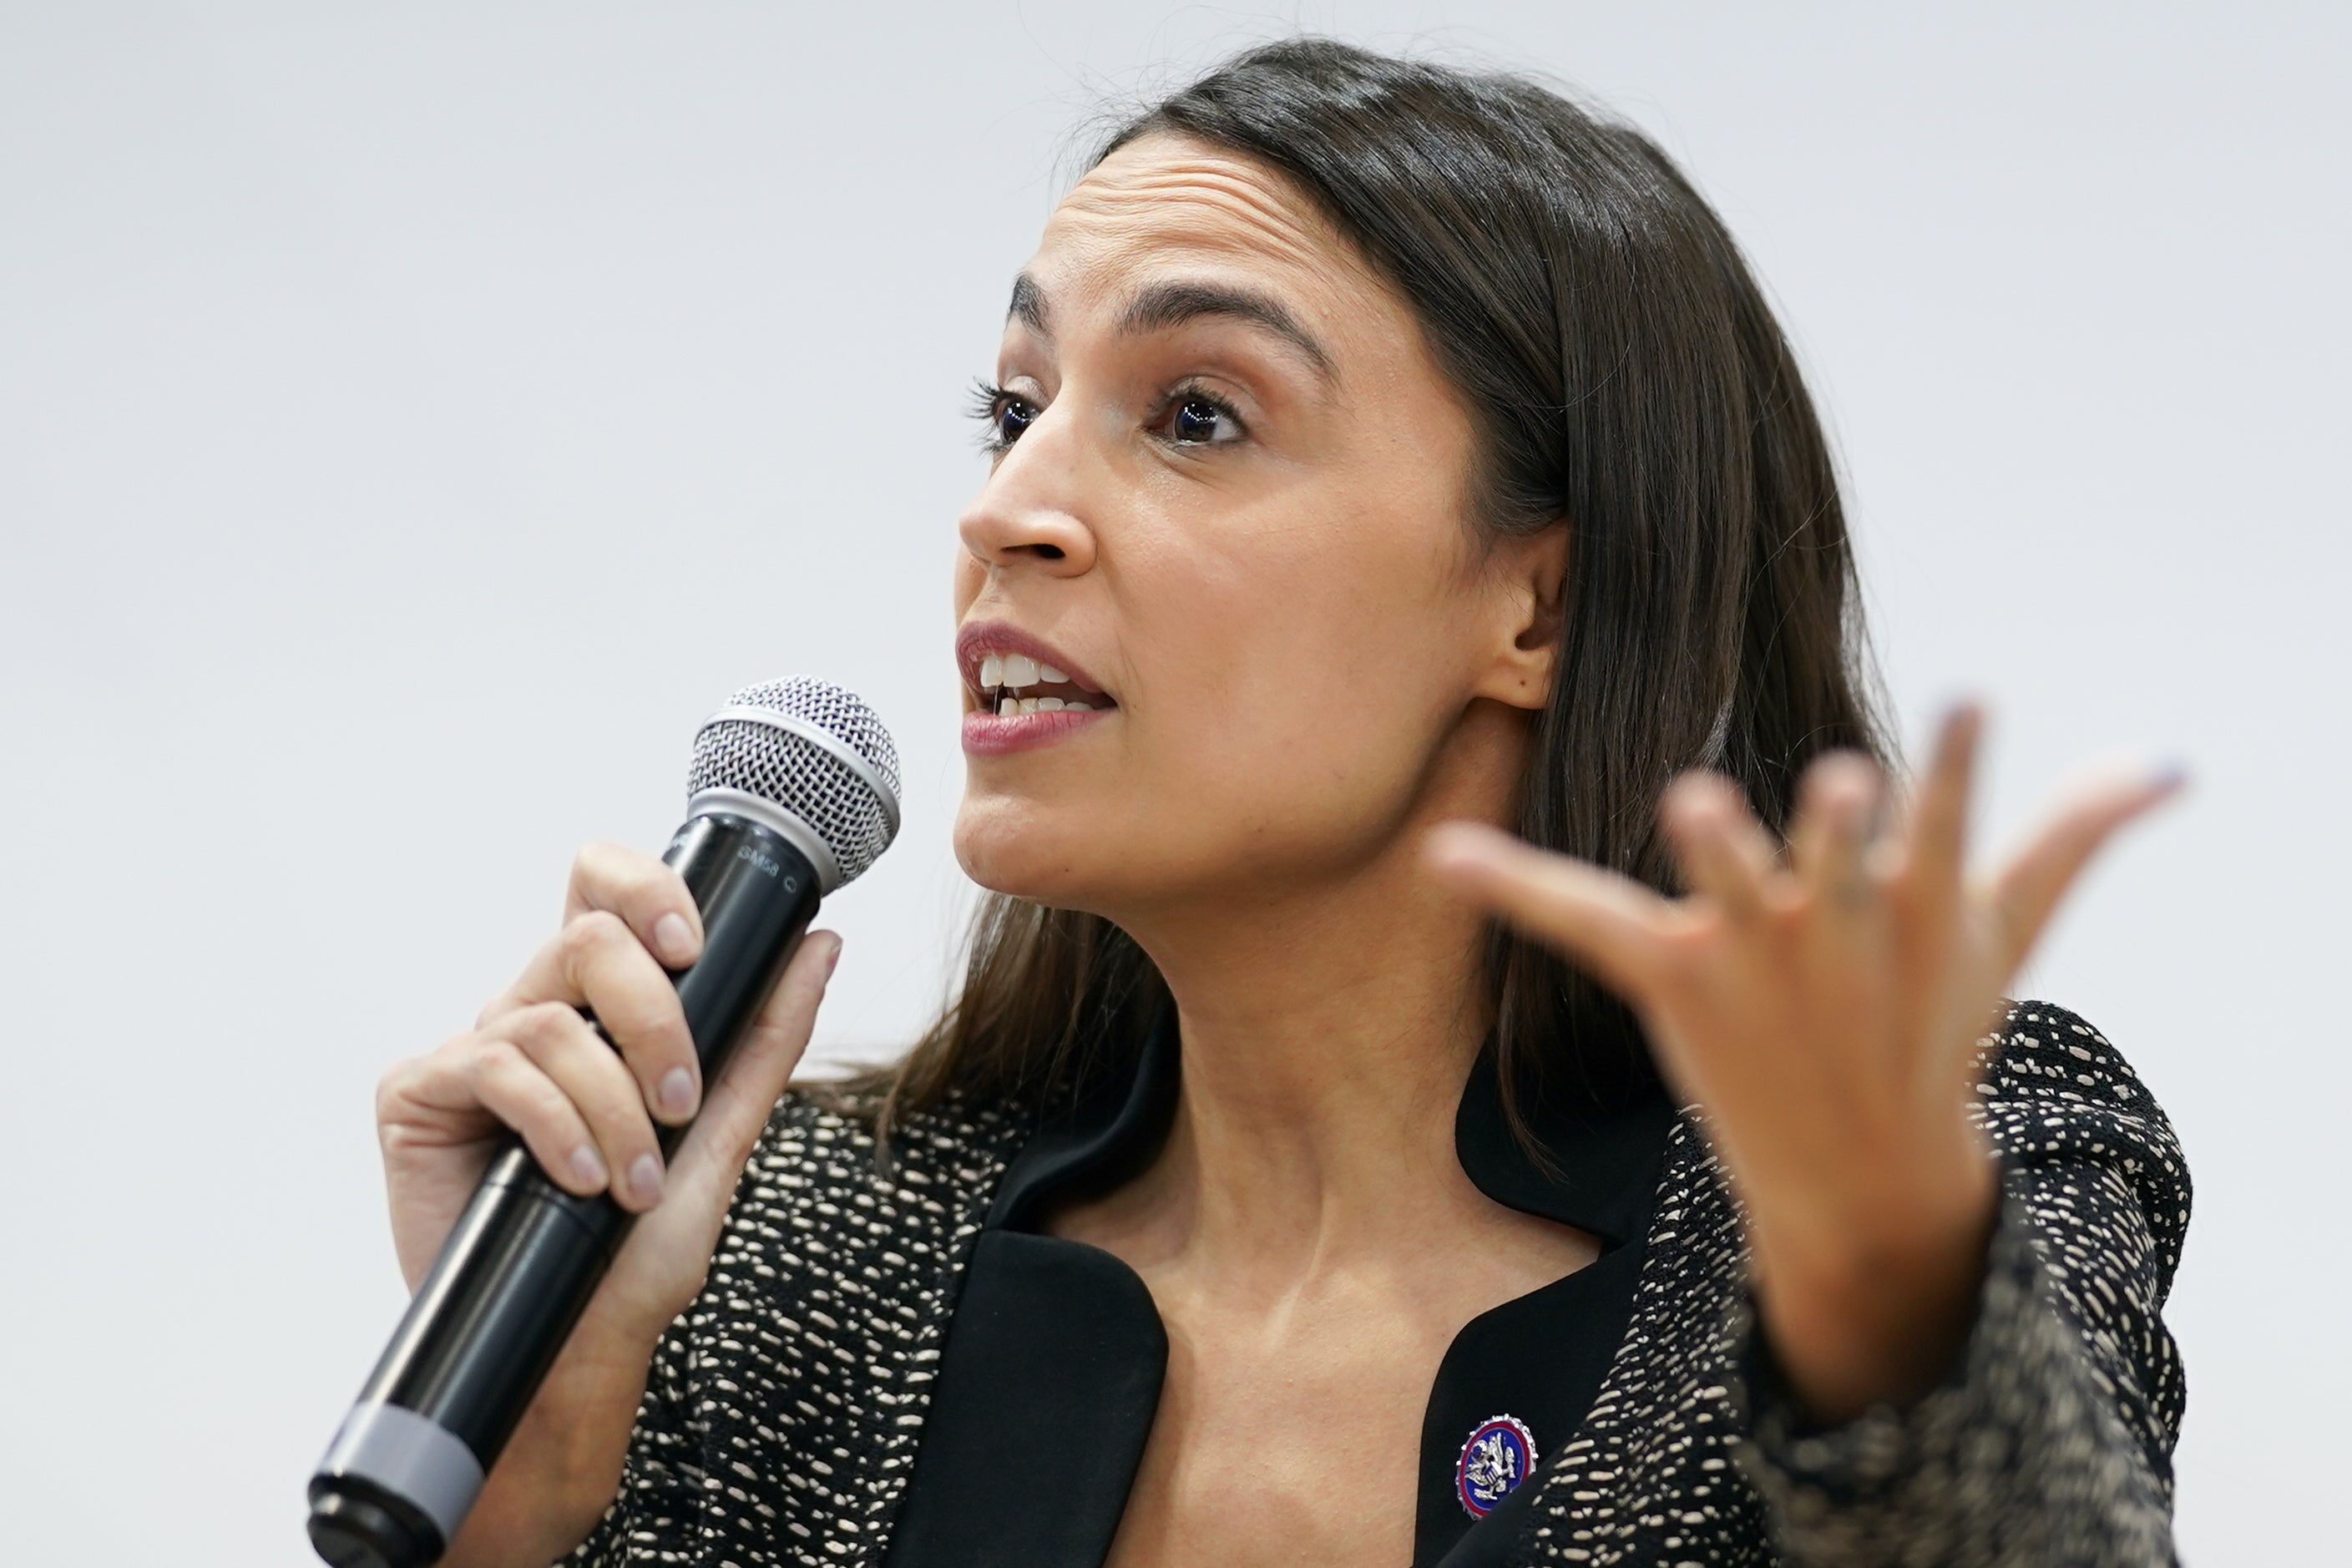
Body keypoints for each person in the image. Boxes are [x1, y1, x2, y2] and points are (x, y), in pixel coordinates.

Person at [372, 38, 2190, 1568]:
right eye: (1010, 407)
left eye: (1197, 417)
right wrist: (535, 1485)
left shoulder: (1937, 1164)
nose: (1008, 506)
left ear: (1534, 605)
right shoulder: (803, 1240)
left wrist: (1891, 1310)